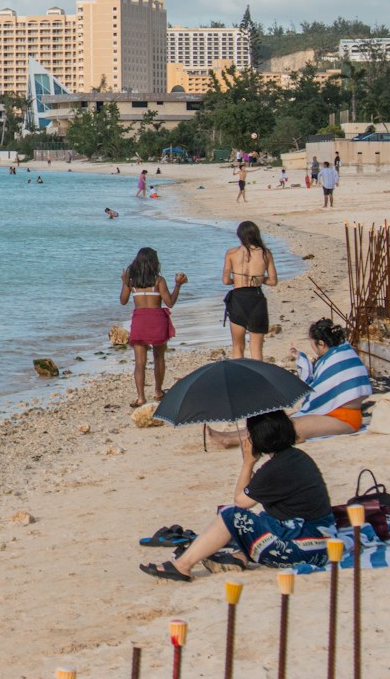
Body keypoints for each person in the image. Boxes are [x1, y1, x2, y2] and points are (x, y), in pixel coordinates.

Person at [139, 410, 336, 581]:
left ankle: (182, 566)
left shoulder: (276, 468)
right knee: (258, 518)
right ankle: (240, 557)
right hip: (322, 541)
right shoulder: (296, 458)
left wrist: (247, 462)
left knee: (230, 516)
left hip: (305, 548)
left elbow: (240, 502)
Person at [121, 247, 186, 406]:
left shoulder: (132, 282)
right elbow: (169, 303)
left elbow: (123, 301)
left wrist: (124, 283)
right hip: (157, 319)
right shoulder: (159, 281)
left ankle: (141, 397)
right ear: (153, 263)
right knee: (159, 358)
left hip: (140, 320)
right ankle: (157, 391)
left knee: (140, 362)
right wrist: (178, 285)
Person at [289, 318, 373, 439]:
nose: (313, 348)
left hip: (343, 419)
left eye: (312, 344)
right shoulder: (344, 352)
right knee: (282, 425)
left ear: (321, 344)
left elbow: (317, 388)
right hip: (335, 415)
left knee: (289, 429)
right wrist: (300, 358)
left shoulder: (336, 359)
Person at [222, 220, 278, 361]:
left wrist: (237, 280)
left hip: (238, 298)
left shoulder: (231, 253)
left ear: (240, 235)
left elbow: (225, 280)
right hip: (256, 297)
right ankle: (257, 379)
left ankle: (239, 378)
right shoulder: (266, 253)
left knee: (238, 347)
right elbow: (273, 281)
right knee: (256, 348)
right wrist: (259, 278)